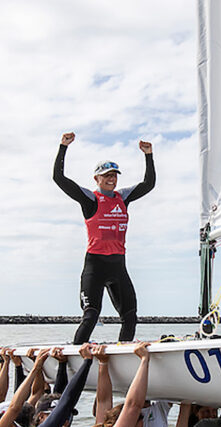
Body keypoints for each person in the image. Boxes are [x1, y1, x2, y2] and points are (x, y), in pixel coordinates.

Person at [53, 131, 156, 344]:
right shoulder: (90, 199)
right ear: (97, 178)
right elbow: (59, 178)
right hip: (95, 265)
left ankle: (123, 354)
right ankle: (76, 357)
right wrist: (63, 147)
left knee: (130, 317)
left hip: (118, 265)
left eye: (115, 175)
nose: (112, 179)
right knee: (91, 315)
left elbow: (149, 183)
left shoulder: (123, 197)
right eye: (107, 175)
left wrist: (148, 155)